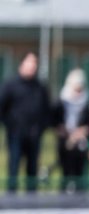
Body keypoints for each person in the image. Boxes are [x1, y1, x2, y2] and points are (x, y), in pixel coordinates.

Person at [0, 51, 52, 192]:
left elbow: (46, 111)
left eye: (35, 63)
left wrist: (41, 128)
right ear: (22, 64)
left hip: (34, 135)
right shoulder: (10, 85)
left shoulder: (40, 87)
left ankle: (31, 199)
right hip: (15, 134)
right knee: (14, 166)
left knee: (32, 168)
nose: (32, 66)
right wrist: (10, 125)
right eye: (29, 63)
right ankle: (11, 198)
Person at [53, 68, 89, 191]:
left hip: (80, 143)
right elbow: (55, 121)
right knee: (65, 172)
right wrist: (65, 133)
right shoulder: (61, 101)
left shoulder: (85, 101)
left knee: (79, 173)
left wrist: (82, 132)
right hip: (65, 142)